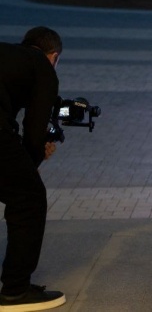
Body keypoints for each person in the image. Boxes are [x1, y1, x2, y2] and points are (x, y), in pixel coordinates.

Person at [0, 27, 66, 312]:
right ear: (54, 56)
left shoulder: (11, 57)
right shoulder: (42, 67)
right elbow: (35, 130)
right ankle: (15, 292)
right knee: (29, 199)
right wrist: (33, 161)